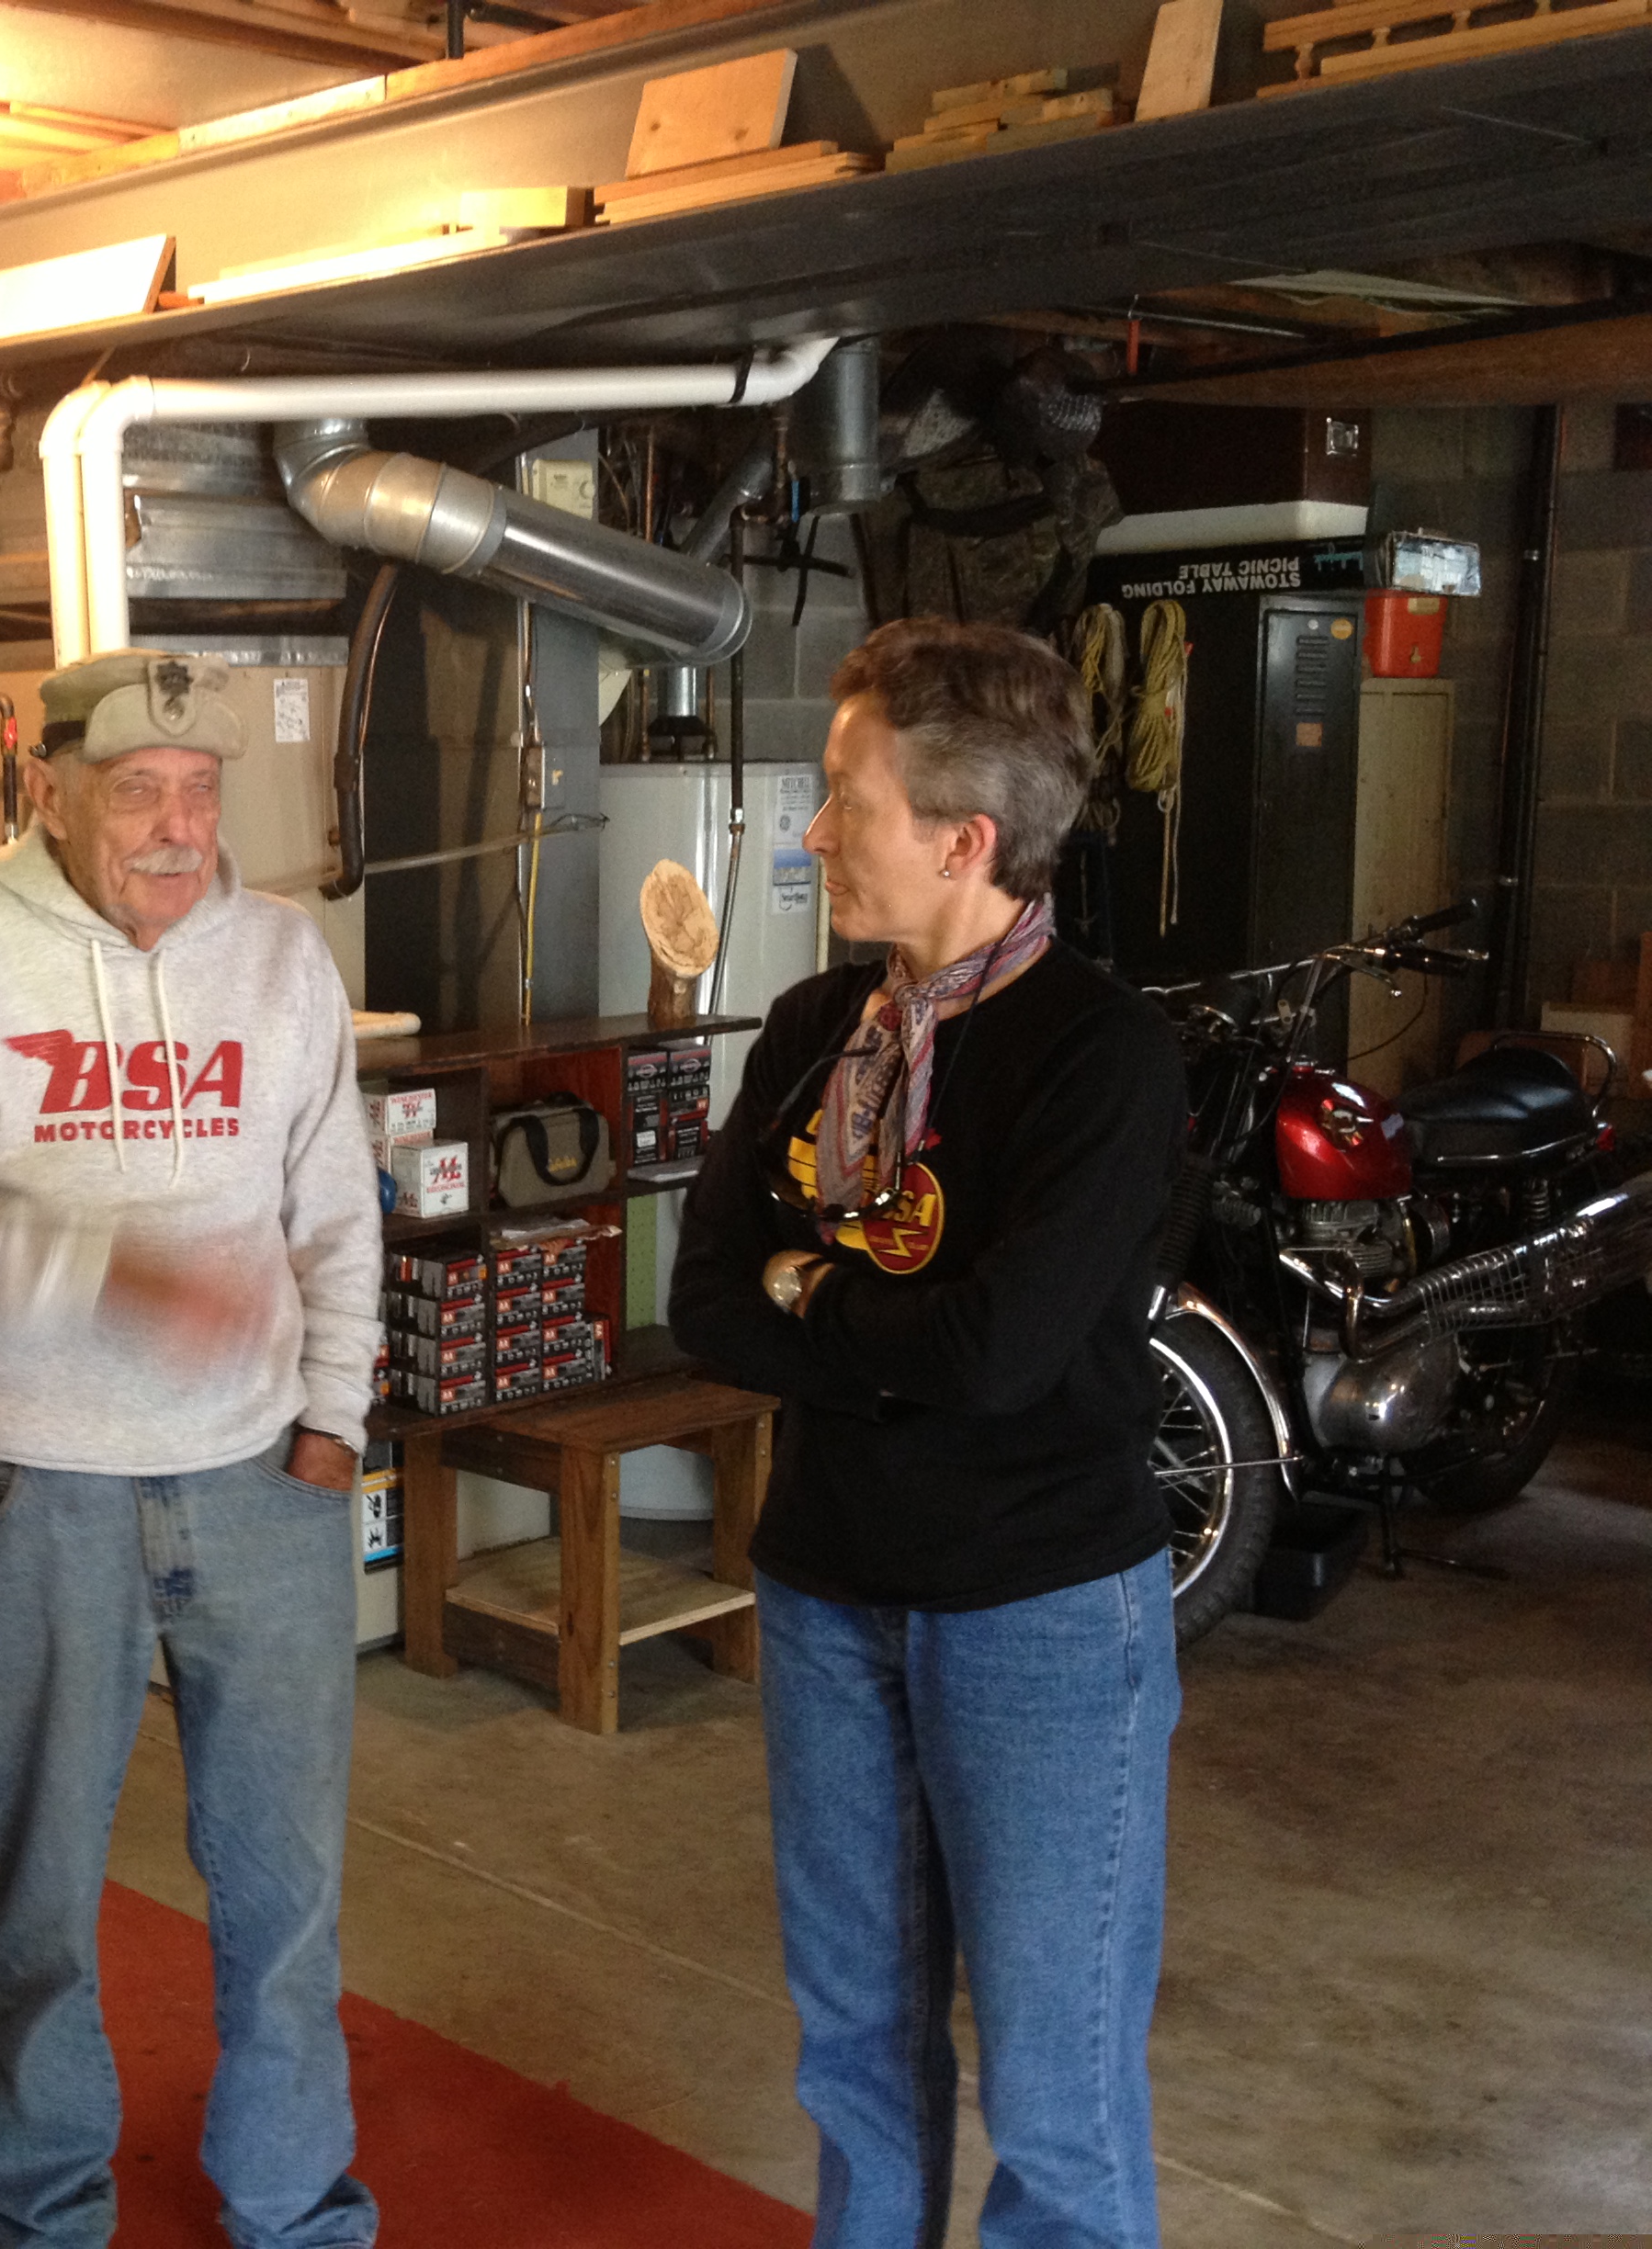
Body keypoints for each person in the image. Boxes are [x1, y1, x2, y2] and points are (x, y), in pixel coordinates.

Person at [0, 649, 382, 2249]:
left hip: (260, 1480)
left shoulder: (280, 957)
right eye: (137, 790)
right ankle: (43, 2212)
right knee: (37, 1891)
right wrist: (116, 1278)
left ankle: (294, 2206)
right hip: (39, 1484)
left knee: (287, 1887)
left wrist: (334, 1419)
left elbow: (335, 1208)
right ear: (51, 791)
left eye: (200, 792)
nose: (176, 827)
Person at [670, 618, 1187, 2249]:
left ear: (965, 840)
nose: (817, 831)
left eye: (849, 799)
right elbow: (705, 1302)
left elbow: (1001, 1354)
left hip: (1040, 1614)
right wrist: (874, 1326)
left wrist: (812, 1287)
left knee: (1053, 2084)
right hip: (828, 1591)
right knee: (855, 2049)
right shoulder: (819, 1024)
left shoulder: (1100, 1053)